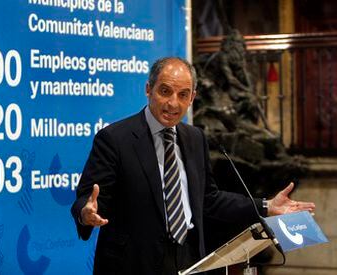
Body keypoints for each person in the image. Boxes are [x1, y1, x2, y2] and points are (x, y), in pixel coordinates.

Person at [71, 57, 315, 275]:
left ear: (192, 98)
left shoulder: (194, 138)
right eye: (165, 91)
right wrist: (86, 212)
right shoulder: (115, 138)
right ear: (148, 89)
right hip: (134, 262)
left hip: (190, 258)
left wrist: (266, 205)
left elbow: (209, 199)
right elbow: (89, 198)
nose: (173, 103)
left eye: (183, 95)